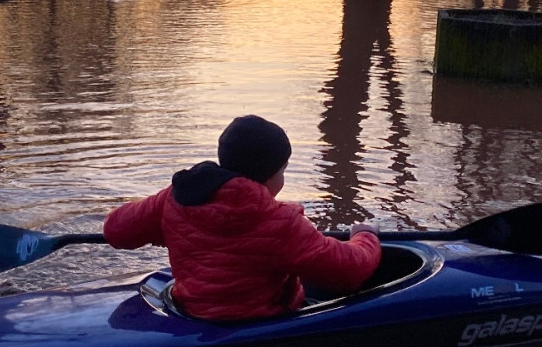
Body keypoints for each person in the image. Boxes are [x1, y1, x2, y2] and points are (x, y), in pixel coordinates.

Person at [104, 115, 382, 321]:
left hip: (190, 310)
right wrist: (365, 235)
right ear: (272, 174)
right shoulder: (281, 223)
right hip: (259, 321)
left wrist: (169, 228)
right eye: (283, 171)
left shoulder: (177, 197)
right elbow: (350, 272)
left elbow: (116, 231)